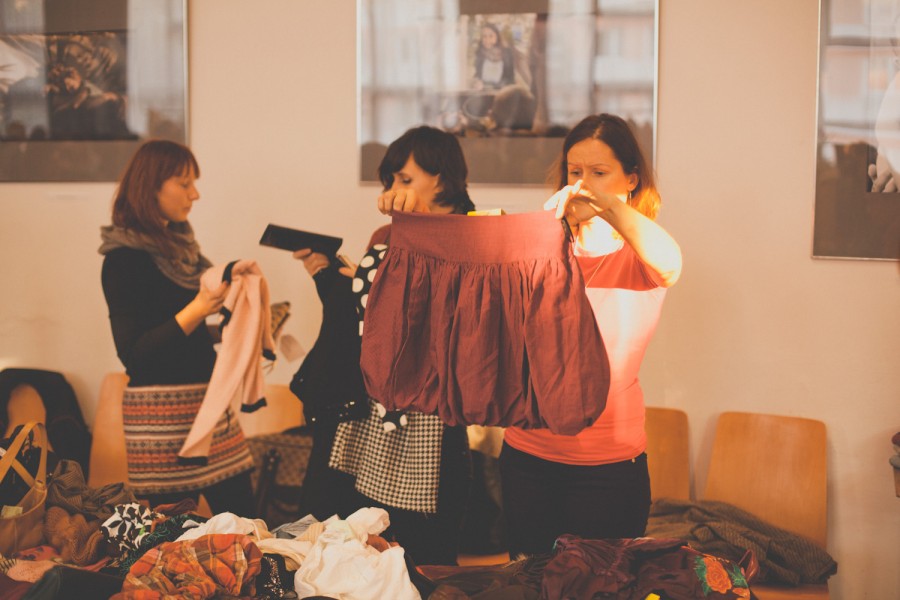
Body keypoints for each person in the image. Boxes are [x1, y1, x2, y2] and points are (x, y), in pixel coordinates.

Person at [499, 113, 683, 556]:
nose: (583, 184)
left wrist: (605, 205)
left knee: (603, 583)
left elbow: (671, 262)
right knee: (530, 580)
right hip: (527, 455)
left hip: (608, 466)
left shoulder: (638, 255)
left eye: (599, 173)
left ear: (631, 180)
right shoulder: (542, 250)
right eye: (575, 172)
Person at [291, 125, 474, 565]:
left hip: (432, 414)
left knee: (420, 553)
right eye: (389, 180)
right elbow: (371, 320)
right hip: (370, 405)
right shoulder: (385, 236)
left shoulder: (474, 235)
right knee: (357, 541)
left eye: (405, 179)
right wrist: (332, 279)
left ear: (442, 179)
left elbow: (453, 322)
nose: (393, 190)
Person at [99, 139, 256, 516]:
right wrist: (198, 308)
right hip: (161, 421)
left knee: (245, 524)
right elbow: (135, 354)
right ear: (150, 187)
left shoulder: (185, 253)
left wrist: (238, 326)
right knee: (176, 536)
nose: (195, 194)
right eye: (184, 184)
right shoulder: (122, 261)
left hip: (209, 405)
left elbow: (184, 336)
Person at [472, 22, 515, 91]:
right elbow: (477, 74)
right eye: (484, 36)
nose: (487, 40)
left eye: (491, 36)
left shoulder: (506, 53)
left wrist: (493, 86)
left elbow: (511, 80)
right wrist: (476, 82)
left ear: (497, 37)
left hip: (501, 93)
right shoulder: (480, 53)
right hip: (483, 93)